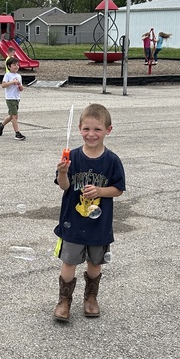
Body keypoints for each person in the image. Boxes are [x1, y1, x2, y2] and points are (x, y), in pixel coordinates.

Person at [52, 103, 126, 322]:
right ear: (79, 128)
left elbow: (118, 190)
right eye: (86, 129)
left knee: (95, 263)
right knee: (69, 262)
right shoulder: (72, 157)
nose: (91, 134)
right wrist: (63, 172)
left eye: (97, 129)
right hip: (72, 222)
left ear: (108, 130)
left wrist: (101, 190)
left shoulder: (112, 161)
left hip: (99, 225)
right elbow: (64, 186)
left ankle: (91, 297)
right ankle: (64, 300)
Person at [0, 58, 25, 140]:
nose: (16, 66)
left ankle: (1, 125)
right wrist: (13, 82)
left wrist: (20, 87)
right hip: (10, 98)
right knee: (15, 116)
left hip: (17, 98)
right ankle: (17, 133)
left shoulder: (19, 76)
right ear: (9, 66)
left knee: (11, 115)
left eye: (17, 65)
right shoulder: (8, 75)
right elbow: (3, 85)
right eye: (14, 65)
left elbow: (20, 88)